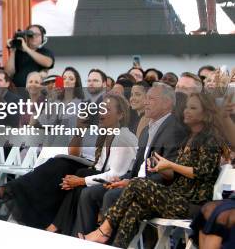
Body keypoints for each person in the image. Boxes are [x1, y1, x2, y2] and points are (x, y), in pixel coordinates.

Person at [82, 92, 226, 247]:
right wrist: (162, 167)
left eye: (193, 108)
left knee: (136, 185)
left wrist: (171, 165)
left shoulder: (211, 138)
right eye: (186, 107)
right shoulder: (189, 137)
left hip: (193, 203)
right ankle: (118, 245)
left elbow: (202, 172)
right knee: (136, 207)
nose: (186, 111)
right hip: (176, 196)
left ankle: (104, 231)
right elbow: (175, 175)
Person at [72, 83, 188, 238]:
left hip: (153, 190)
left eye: (151, 99)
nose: (146, 102)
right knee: (89, 193)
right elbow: (139, 168)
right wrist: (124, 179)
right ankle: (83, 241)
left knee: (111, 195)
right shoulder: (147, 130)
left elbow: (167, 175)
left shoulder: (174, 129)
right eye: (146, 98)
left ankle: (108, 242)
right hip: (135, 181)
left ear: (167, 103)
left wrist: (132, 183)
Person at [46, 93, 138, 236]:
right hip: (108, 178)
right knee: (79, 173)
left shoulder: (123, 138)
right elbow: (99, 166)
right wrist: (78, 179)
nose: (101, 112)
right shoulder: (106, 134)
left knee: (81, 185)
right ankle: (68, 231)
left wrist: (81, 181)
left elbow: (115, 174)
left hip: (122, 182)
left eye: (106, 109)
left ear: (120, 115)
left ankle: (63, 228)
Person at [5, 24, 55, 88]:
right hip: (17, 91)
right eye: (30, 35)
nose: (33, 37)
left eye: (36, 35)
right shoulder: (18, 52)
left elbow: (48, 63)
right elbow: (8, 74)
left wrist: (26, 48)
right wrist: (12, 52)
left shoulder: (45, 52)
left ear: (42, 38)